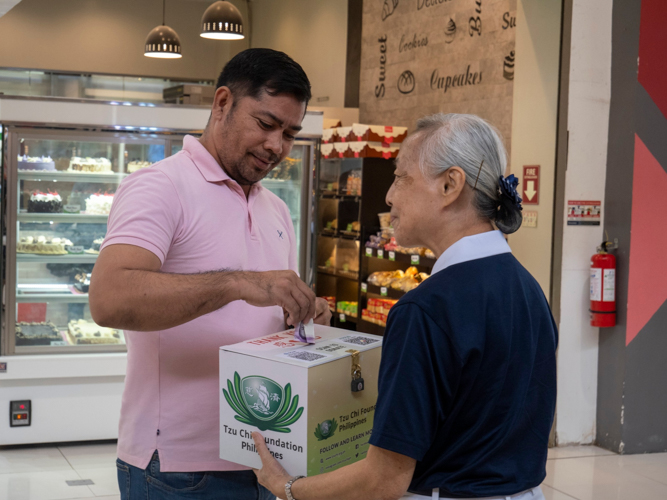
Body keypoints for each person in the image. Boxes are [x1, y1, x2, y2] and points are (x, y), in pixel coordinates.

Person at [252, 113, 558, 500]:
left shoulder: (426, 309)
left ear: (450, 184)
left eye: (401, 177)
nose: (389, 195)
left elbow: (384, 479)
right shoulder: (527, 287)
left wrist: (287, 487)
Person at [89, 48, 331, 500]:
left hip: (267, 460)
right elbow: (109, 298)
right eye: (265, 124)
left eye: (290, 133)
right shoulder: (160, 186)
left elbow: (257, 319)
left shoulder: (274, 206)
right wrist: (238, 282)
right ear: (222, 103)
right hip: (178, 469)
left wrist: (300, 316)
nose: (277, 146)